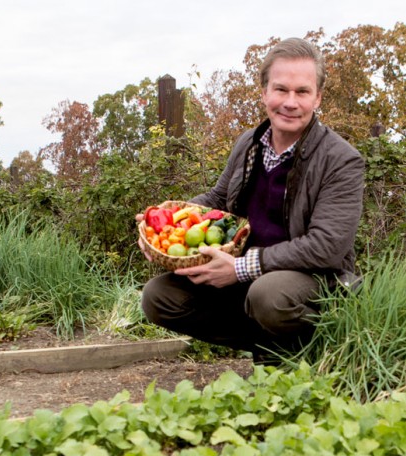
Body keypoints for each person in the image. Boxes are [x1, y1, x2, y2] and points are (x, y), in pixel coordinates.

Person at [138, 37, 364, 364]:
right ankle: (270, 347)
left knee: (269, 294)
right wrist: (162, 220)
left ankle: (312, 348)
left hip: (314, 282)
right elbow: (218, 200)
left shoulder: (341, 159)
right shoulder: (249, 143)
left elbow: (327, 246)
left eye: (302, 92)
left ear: (317, 98)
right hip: (246, 278)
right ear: (264, 93)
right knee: (159, 297)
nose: (290, 102)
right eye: (280, 89)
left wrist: (241, 268)